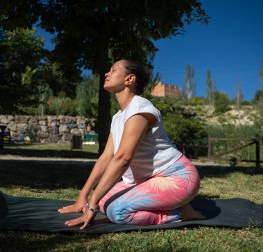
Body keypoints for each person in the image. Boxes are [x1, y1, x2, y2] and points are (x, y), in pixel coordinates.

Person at [58, 59, 205, 229]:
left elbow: (123, 158)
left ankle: (181, 213)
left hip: (177, 178)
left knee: (117, 212)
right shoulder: (118, 116)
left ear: (129, 79)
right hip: (148, 179)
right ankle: (175, 204)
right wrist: (83, 197)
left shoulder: (140, 108)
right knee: (103, 200)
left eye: (113, 70)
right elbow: (107, 157)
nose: (107, 73)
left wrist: (92, 205)